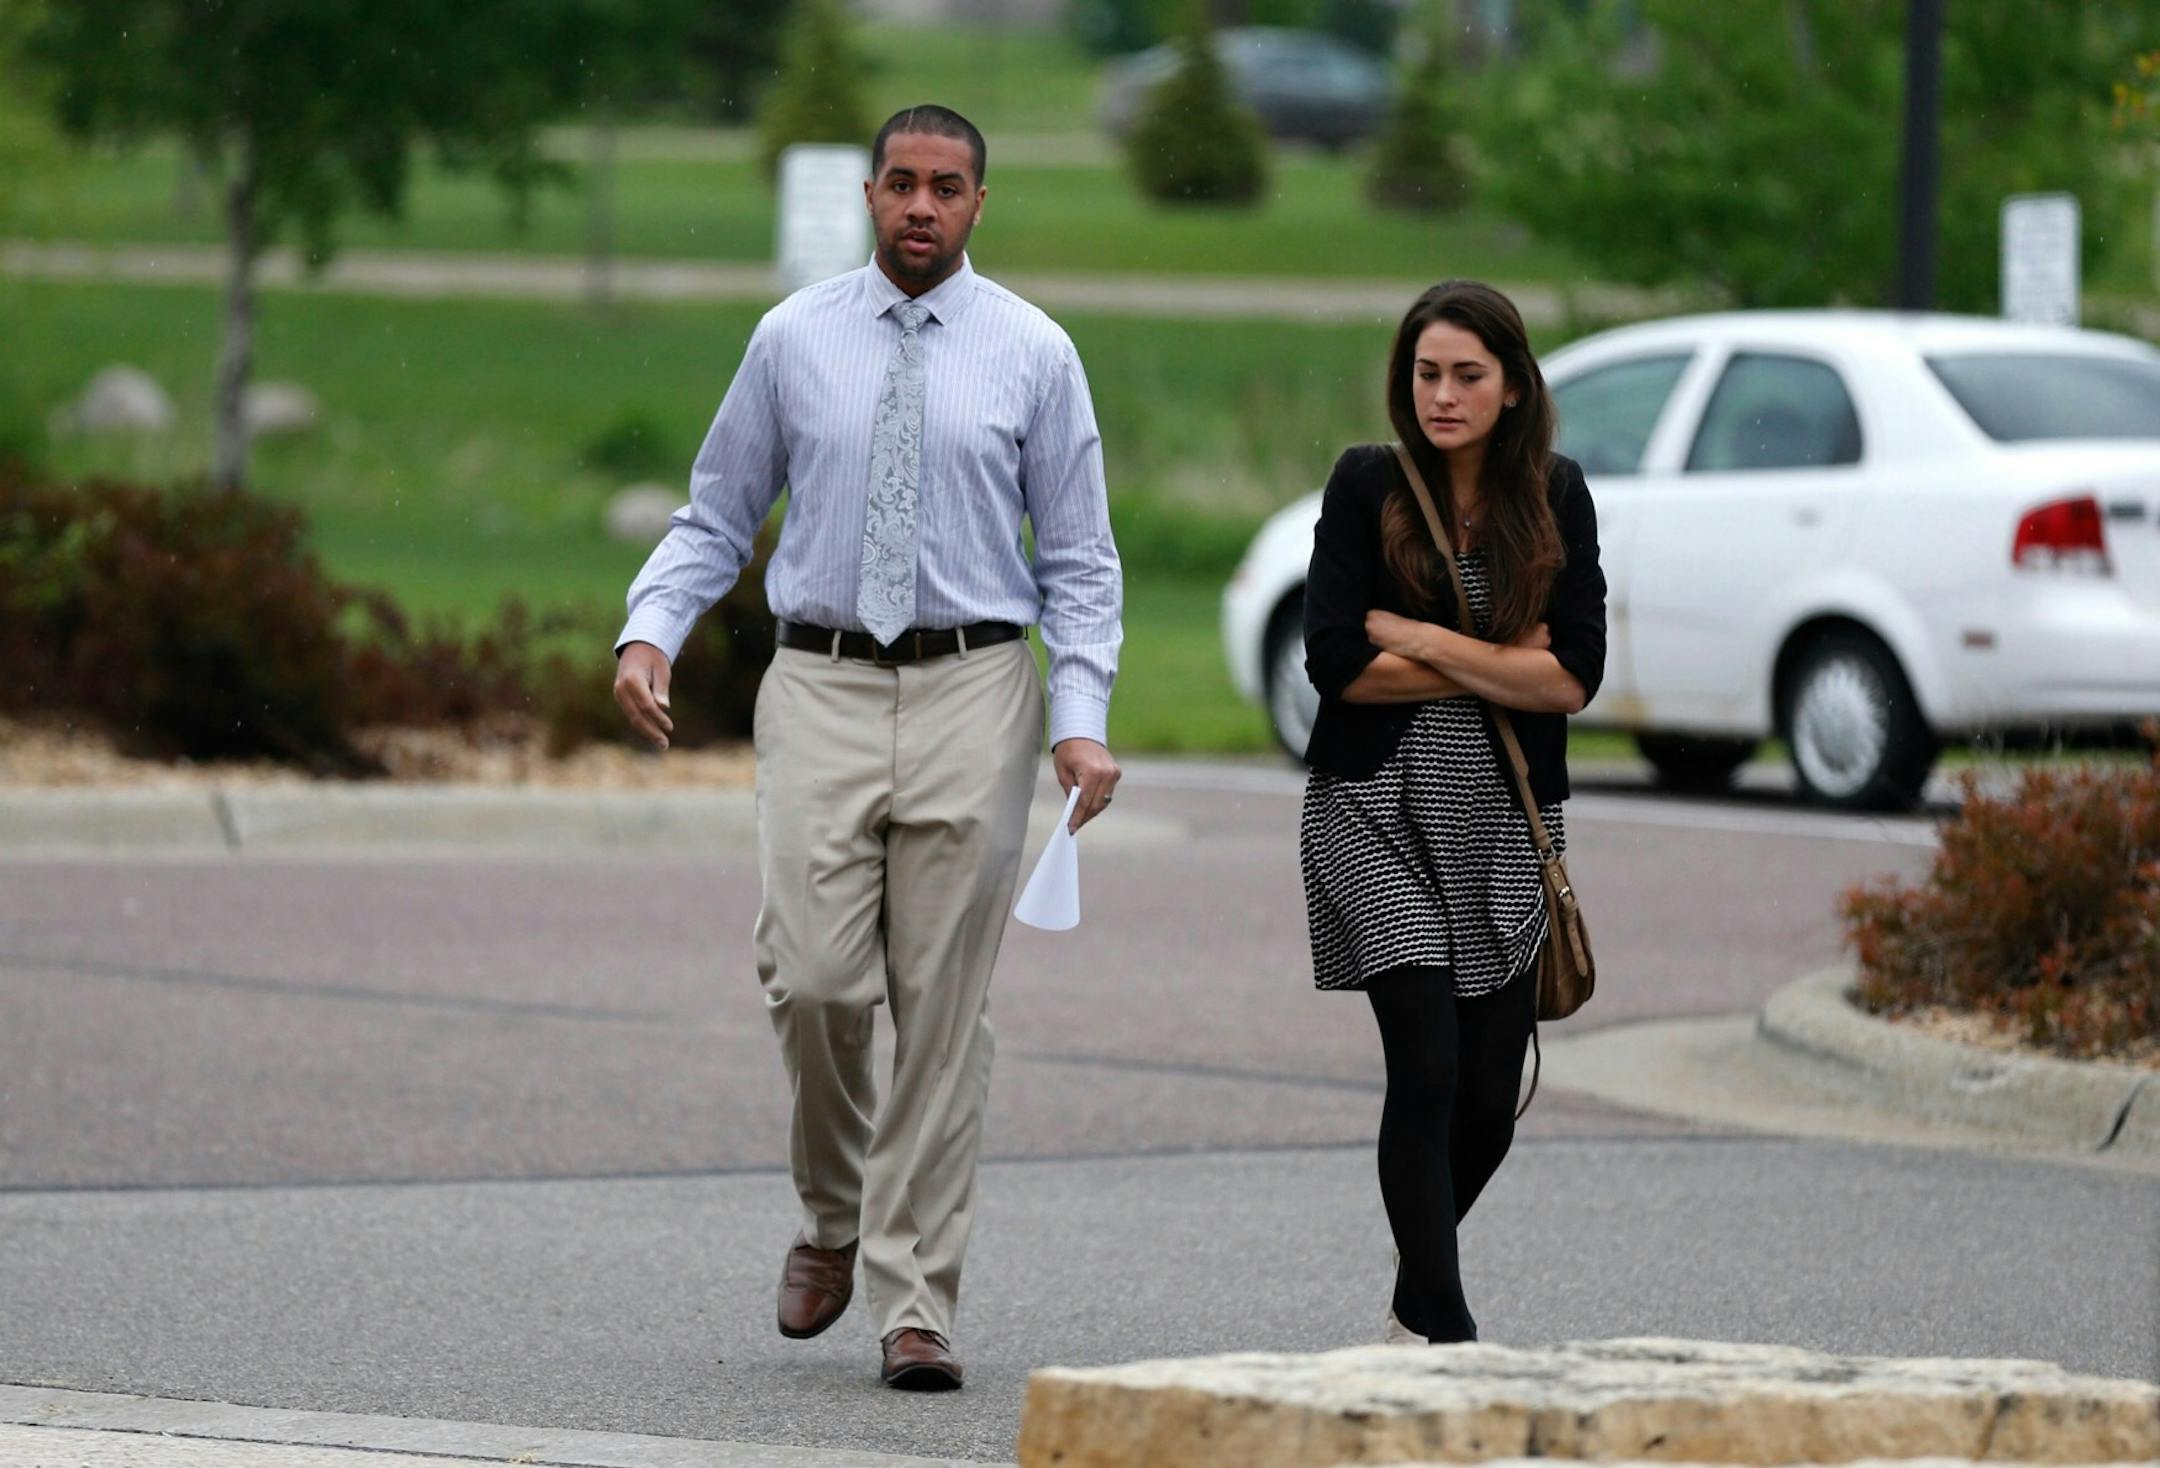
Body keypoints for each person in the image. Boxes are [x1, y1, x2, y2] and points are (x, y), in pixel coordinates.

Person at [612, 104, 1123, 1391]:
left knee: (942, 1011)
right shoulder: (794, 338)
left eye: (946, 187)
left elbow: (1078, 558)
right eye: (902, 183)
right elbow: (717, 511)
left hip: (976, 686)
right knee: (816, 980)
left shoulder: (1034, 351)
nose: (921, 207)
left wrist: (1081, 718)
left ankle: (915, 1299)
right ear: (870, 195)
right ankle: (831, 1212)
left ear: (979, 204)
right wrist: (651, 629)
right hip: (822, 680)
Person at [1298, 280, 1605, 1346]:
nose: (1443, 395)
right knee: (1424, 1070)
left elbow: (1572, 679)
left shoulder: (1557, 495)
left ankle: (1409, 1309)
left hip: (1505, 820)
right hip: (1373, 807)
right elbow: (1338, 663)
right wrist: (1499, 661)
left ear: (1513, 387)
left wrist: (1422, 639)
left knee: (1486, 1104)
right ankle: (1454, 1338)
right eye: (1427, 373)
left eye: (1468, 375)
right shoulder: (1365, 483)